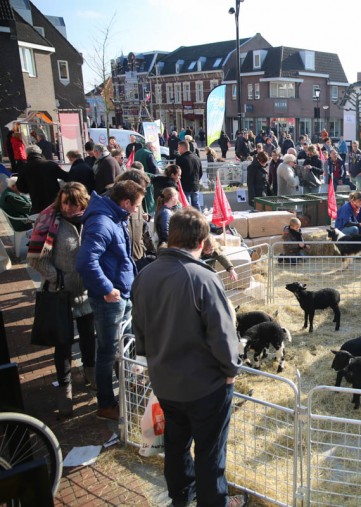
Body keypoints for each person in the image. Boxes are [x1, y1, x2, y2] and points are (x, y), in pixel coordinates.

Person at [132, 208, 245, 507]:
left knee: (176, 443)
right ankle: (214, 502)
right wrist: (231, 370)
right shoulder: (202, 278)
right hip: (205, 386)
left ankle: (181, 496)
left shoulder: (145, 274)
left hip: (166, 381)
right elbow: (222, 334)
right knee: (210, 452)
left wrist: (154, 361)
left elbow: (138, 327)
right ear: (202, 241)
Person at [76, 180, 144, 421]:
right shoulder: (102, 222)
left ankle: (127, 386)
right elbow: (85, 261)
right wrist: (106, 288)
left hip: (121, 294)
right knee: (107, 351)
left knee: (121, 346)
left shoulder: (113, 216)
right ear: (125, 202)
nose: (137, 210)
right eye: (136, 205)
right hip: (110, 299)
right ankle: (106, 403)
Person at [27, 182, 96, 416]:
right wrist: (58, 278)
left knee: (89, 336)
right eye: (64, 201)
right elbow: (36, 258)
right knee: (63, 343)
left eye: (73, 203)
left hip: (85, 293)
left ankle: (90, 371)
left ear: (83, 202)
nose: (67, 207)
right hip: (60, 294)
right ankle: (65, 387)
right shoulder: (50, 221)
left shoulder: (91, 220)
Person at [16, 144, 71, 213]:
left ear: (27, 154)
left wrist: (31, 188)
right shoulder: (50, 164)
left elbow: (21, 188)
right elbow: (66, 177)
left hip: (37, 204)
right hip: (54, 201)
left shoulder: (24, 168)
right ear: (40, 153)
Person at [177, 141, 202, 209]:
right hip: (195, 184)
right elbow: (200, 172)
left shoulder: (180, 159)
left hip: (185, 186)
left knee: (187, 205)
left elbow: (177, 173)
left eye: (179, 147)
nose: (178, 149)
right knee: (196, 204)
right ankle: (199, 218)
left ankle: (190, 219)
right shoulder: (196, 157)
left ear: (183, 148)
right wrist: (196, 180)